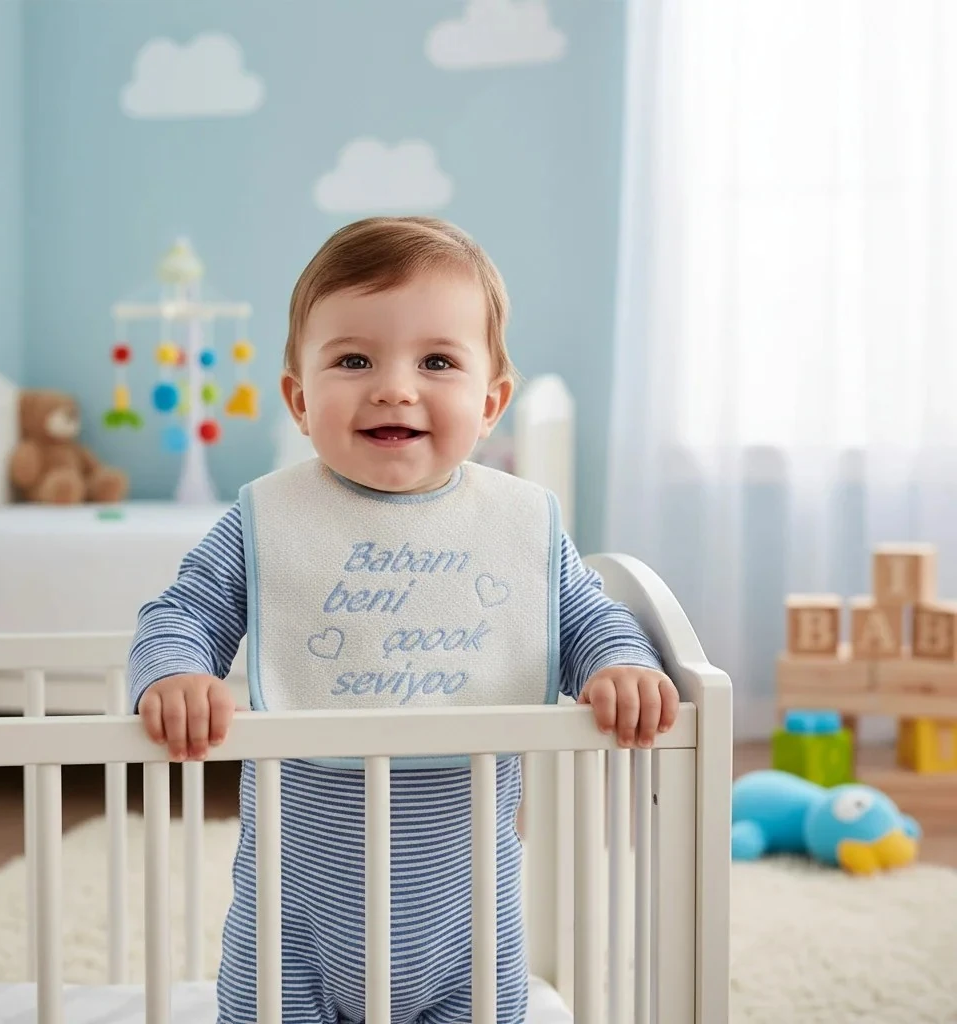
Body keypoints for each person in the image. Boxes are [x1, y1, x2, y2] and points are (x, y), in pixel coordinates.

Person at [128, 215, 680, 1024]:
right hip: (295, 918)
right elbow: (183, 611)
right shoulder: (269, 519)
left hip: (467, 917)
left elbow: (586, 617)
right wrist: (175, 672)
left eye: (437, 361)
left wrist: (617, 666)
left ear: (490, 403)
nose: (394, 386)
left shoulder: (517, 524)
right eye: (353, 360)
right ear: (298, 397)